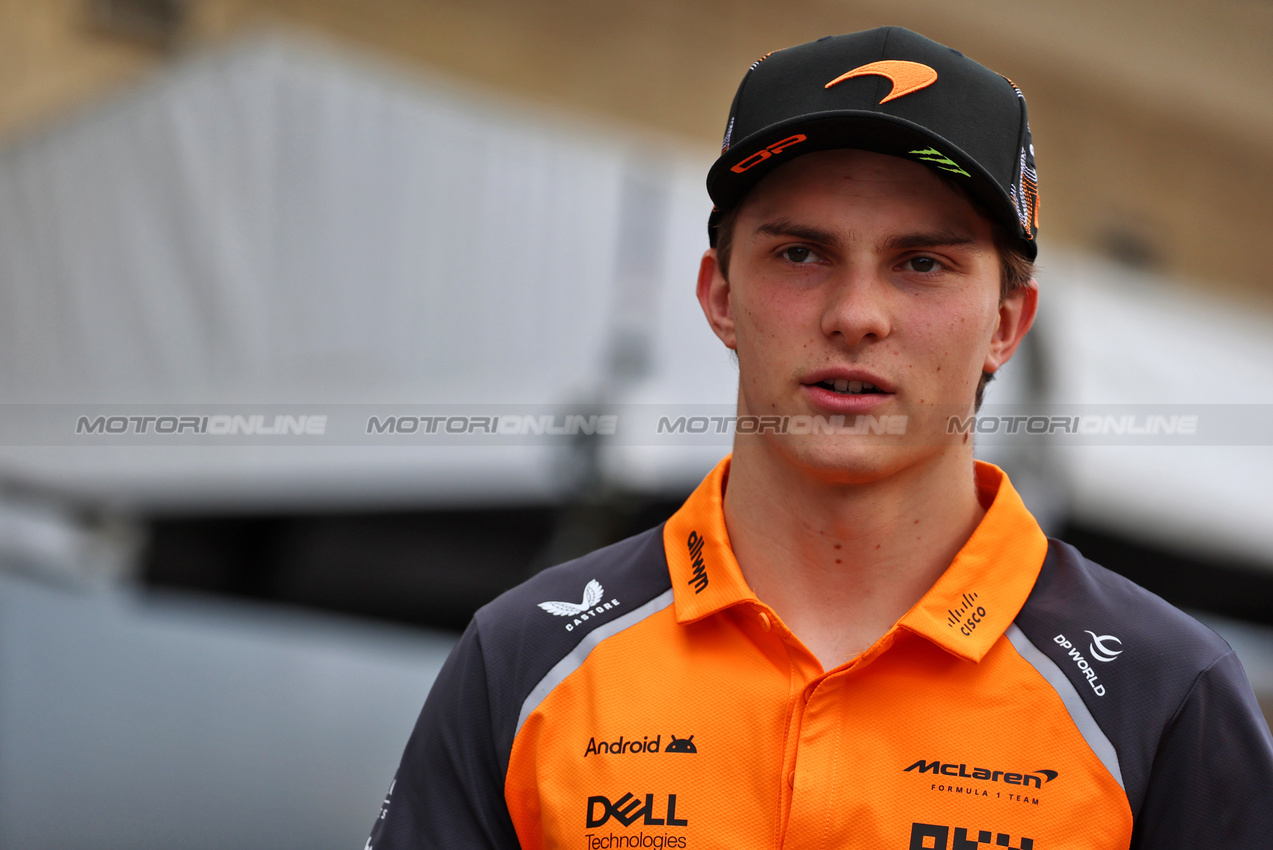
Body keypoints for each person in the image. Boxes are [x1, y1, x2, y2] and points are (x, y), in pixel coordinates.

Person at [366, 26, 1273, 849]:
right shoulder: (522, 656)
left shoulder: (1164, 693)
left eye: (922, 263)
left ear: (1006, 322)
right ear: (720, 295)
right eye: (801, 253)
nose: (856, 315)